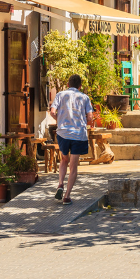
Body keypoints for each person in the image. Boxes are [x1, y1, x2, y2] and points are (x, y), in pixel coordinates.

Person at [49, 74, 93, 205]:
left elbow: (52, 112)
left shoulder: (60, 95)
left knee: (64, 159)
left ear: (68, 85)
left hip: (63, 133)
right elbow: (90, 117)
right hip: (78, 134)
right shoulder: (85, 98)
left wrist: (60, 121)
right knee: (73, 167)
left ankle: (60, 184)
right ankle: (67, 196)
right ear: (80, 86)